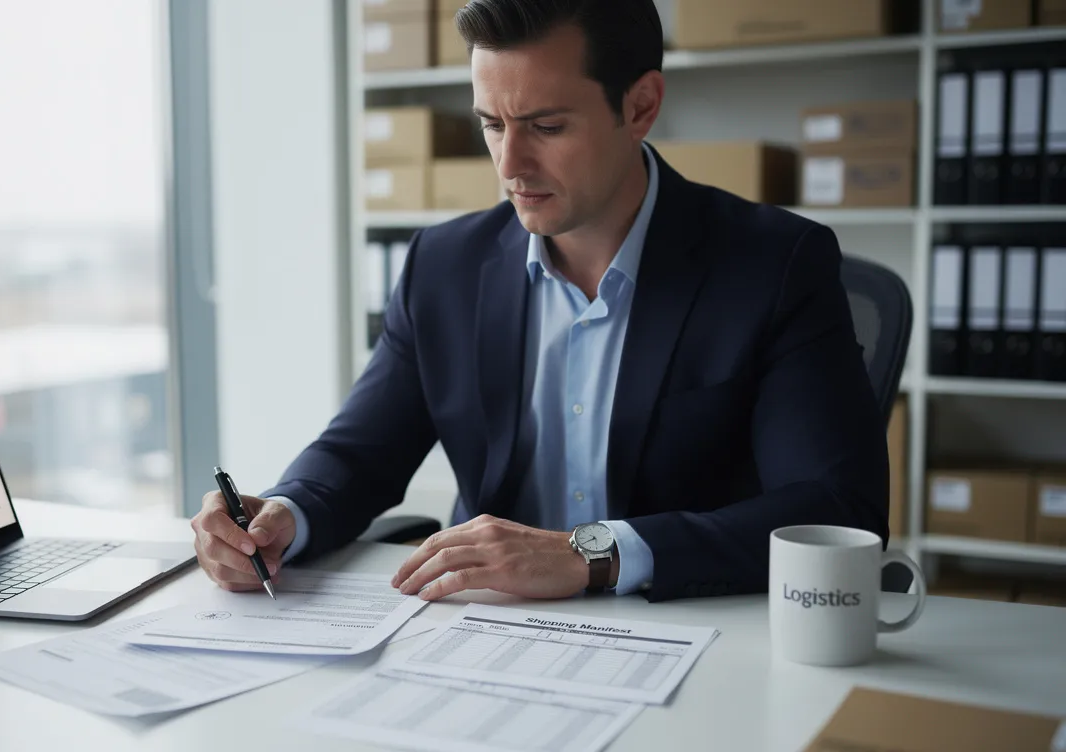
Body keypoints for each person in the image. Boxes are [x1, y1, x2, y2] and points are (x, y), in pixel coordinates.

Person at [190, 0, 888, 603]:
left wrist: (593, 554)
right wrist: (282, 513)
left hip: (690, 630)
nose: (510, 166)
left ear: (641, 106)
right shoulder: (444, 266)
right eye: (492, 124)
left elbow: (834, 510)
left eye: (546, 127)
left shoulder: (773, 265)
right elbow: (358, 455)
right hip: (492, 634)